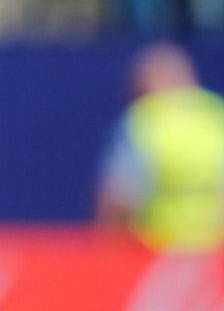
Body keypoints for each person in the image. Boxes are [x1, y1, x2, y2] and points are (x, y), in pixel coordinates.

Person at [96, 41, 224, 252]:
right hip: (214, 257)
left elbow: (118, 201)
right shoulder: (216, 115)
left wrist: (110, 253)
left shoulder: (142, 121)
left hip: (153, 256)